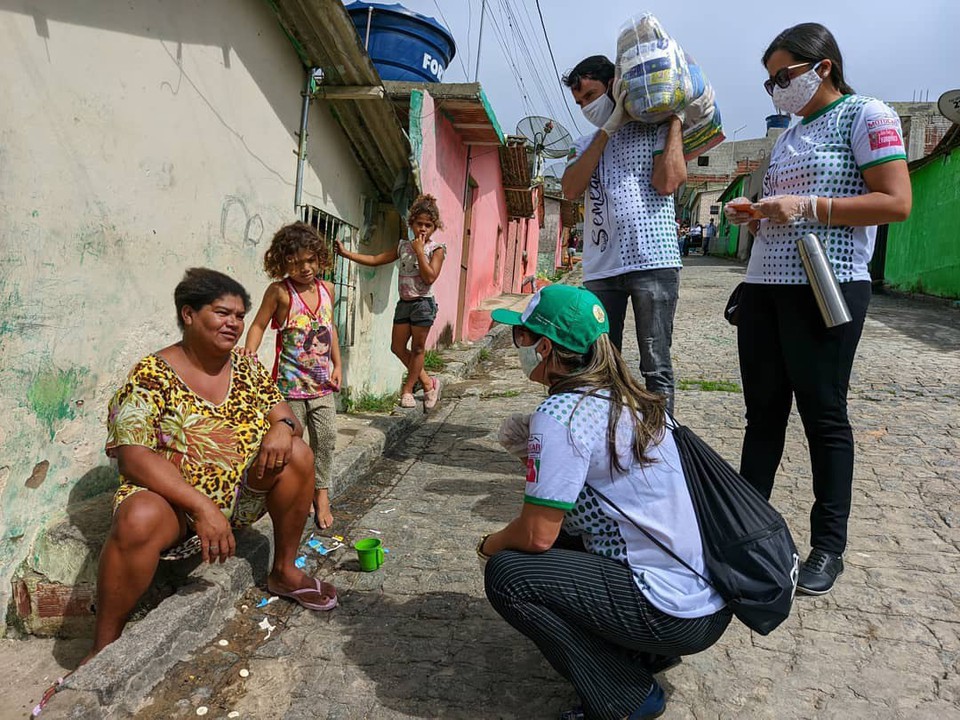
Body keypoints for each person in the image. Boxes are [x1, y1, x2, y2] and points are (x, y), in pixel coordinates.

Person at [479, 284, 732, 720]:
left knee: (509, 574)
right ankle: (640, 653)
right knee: (561, 544)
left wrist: (489, 545)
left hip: (672, 609)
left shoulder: (562, 414)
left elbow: (537, 535)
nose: (516, 345)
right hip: (708, 596)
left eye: (521, 337)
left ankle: (625, 696)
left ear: (544, 347)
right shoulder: (628, 398)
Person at [724, 23, 911, 595]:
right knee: (763, 414)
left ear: (821, 66)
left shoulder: (867, 115)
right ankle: (745, 533)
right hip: (765, 287)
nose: (776, 88)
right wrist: (755, 211)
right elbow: (784, 207)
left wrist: (805, 204)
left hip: (825, 286)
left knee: (823, 415)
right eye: (769, 81)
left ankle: (828, 546)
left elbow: (895, 203)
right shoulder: (789, 134)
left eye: (783, 76)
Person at [89, 268, 337, 661]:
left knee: (298, 454)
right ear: (189, 314)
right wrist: (201, 507)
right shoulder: (151, 375)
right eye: (223, 313)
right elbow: (132, 457)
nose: (234, 324)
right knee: (137, 517)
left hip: (242, 495)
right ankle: (103, 648)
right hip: (176, 507)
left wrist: (283, 428)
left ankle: (283, 571)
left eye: (240, 316)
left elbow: (284, 413)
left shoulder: (247, 368)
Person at [561, 55, 687, 412]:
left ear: (614, 87)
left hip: (654, 260)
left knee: (655, 365)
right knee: (600, 365)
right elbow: (570, 188)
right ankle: (608, 444)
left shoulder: (656, 130)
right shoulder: (584, 143)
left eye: (591, 95)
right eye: (580, 102)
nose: (587, 106)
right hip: (602, 269)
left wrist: (675, 120)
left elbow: (668, 181)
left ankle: (662, 452)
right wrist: (607, 130)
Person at [243, 222, 342, 530]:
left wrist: (338, 366)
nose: (306, 268)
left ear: (319, 257)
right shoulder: (280, 293)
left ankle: (321, 493)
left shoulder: (328, 290)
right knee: (293, 444)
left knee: (326, 438)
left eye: (311, 260)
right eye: (296, 263)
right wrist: (249, 353)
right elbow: (259, 324)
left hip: (322, 385)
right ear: (282, 263)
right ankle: (294, 494)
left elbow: (330, 330)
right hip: (288, 388)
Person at [336, 194, 446, 411]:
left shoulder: (437, 249)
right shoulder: (402, 246)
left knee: (417, 349)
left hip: (423, 304)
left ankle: (407, 390)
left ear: (434, 227)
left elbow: (430, 277)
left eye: (428, 225)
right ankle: (428, 383)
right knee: (397, 347)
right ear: (411, 224)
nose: (423, 229)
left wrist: (419, 252)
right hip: (404, 303)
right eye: (419, 224)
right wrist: (346, 253)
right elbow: (377, 260)